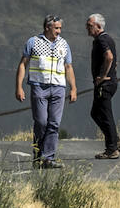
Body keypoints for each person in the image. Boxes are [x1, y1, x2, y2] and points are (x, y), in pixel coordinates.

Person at [16, 14, 77, 168]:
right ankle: (38, 155)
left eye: (60, 28)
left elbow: (68, 67)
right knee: (41, 122)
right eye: (56, 28)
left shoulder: (64, 44)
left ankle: (48, 158)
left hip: (58, 88)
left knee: (54, 123)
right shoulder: (33, 42)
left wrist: (73, 88)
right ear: (47, 27)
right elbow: (23, 64)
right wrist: (19, 87)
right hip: (39, 87)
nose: (59, 31)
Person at [85, 13, 120, 159]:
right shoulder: (107, 39)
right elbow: (114, 60)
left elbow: (109, 57)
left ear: (98, 26)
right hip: (109, 83)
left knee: (105, 115)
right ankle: (115, 140)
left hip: (105, 84)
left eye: (90, 26)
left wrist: (102, 76)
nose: (87, 28)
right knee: (96, 113)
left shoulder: (102, 39)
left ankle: (112, 149)